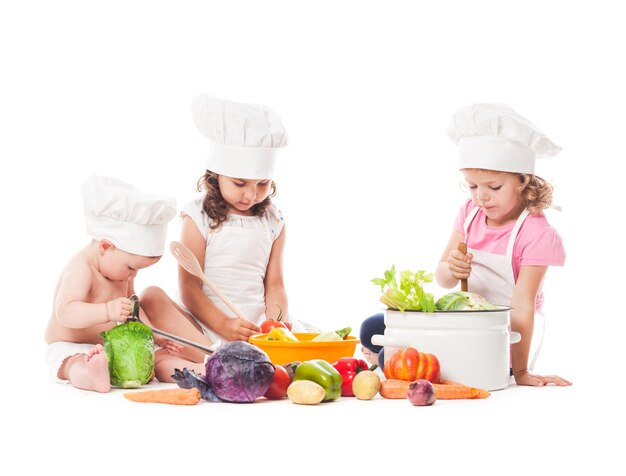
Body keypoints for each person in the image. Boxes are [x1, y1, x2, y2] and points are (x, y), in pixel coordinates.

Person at [361, 103, 572, 387]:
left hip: (497, 333)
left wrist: (520, 372)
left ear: (523, 180)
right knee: (371, 327)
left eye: (493, 187)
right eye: (472, 186)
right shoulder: (470, 214)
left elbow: (522, 306)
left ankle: (384, 359)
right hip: (460, 318)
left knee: (391, 356)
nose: (481, 197)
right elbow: (443, 279)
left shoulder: (536, 233)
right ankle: (387, 357)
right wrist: (452, 268)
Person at [143, 94, 291, 350]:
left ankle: (250, 356)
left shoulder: (273, 221)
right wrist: (223, 324)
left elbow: (275, 284)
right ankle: (211, 356)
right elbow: (190, 288)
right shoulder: (198, 218)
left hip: (253, 328)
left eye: (262, 184)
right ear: (216, 175)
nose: (251, 194)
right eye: (239, 183)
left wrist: (273, 326)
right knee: (151, 297)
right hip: (205, 324)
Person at [45, 175, 205, 393]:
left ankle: (196, 370)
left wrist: (154, 335)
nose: (134, 275)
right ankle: (93, 376)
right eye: (131, 267)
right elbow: (66, 312)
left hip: (121, 346)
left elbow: (134, 311)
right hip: (75, 346)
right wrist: (107, 310)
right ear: (105, 247)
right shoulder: (81, 268)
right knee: (74, 363)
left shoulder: (122, 273)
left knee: (160, 357)